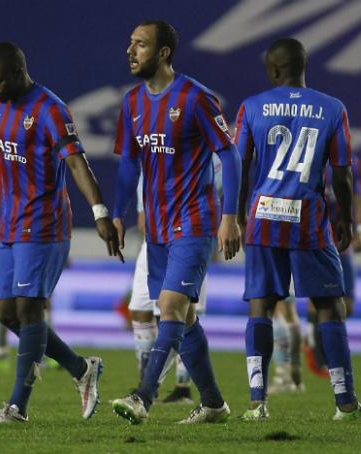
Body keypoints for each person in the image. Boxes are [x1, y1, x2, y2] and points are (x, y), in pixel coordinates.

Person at [0, 42, 122, 423]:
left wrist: (100, 212)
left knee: (29, 310)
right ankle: (81, 369)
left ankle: (17, 407)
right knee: (6, 313)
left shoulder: (50, 109)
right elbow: (3, 151)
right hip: (9, 222)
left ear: (18, 73)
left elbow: (76, 163)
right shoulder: (2, 104)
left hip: (42, 224)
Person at [234, 38, 361, 421]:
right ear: (305, 67)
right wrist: (345, 219)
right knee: (330, 307)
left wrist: (233, 218)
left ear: (272, 70)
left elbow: (240, 167)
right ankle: (345, 403)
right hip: (308, 219)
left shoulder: (252, 107)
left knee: (261, 306)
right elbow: (343, 172)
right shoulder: (332, 108)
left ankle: (257, 402)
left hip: (264, 216)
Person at [110, 20, 241, 425]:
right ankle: (215, 405)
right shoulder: (132, 103)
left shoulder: (196, 98)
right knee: (184, 319)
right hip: (159, 229)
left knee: (168, 306)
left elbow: (230, 156)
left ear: (164, 52)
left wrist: (230, 218)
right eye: (130, 43)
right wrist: (117, 213)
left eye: (141, 45)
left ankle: (142, 397)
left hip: (195, 220)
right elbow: (131, 163)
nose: (131, 52)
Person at [129, 155, 223, 404]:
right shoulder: (153, 127)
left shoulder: (209, 139)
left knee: (178, 311)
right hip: (157, 232)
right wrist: (141, 208)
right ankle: (148, 383)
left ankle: (178, 386)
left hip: (190, 231)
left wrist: (226, 221)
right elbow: (144, 168)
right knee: (140, 309)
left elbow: (221, 180)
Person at [0, 181, 59, 370]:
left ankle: (47, 354)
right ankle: (1, 351)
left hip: (36, 245)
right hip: (10, 246)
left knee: (41, 300)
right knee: (5, 301)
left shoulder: (40, 176)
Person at [305, 156, 361, 377]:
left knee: (348, 304)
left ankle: (318, 344)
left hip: (342, 242)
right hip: (316, 240)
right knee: (319, 299)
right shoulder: (309, 158)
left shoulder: (350, 163)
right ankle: (320, 356)